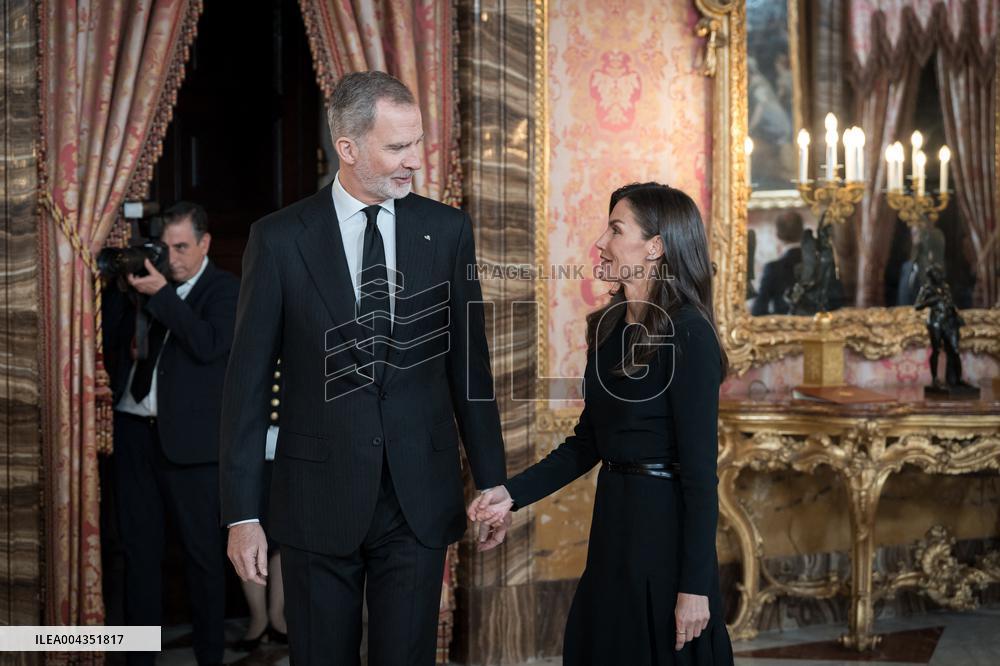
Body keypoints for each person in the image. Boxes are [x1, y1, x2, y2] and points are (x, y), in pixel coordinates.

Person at [220, 71, 508, 665]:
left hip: (419, 497)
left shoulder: (447, 229)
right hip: (315, 500)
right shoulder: (277, 241)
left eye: (417, 144)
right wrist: (242, 515)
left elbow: (469, 367)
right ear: (347, 148)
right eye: (397, 148)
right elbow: (245, 391)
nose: (413, 163)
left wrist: (493, 479)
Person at [472, 183, 735, 665]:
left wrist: (696, 587)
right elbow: (586, 442)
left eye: (616, 229)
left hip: (665, 536)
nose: (601, 241)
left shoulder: (689, 334)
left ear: (655, 246)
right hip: (614, 525)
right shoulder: (608, 328)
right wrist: (509, 495)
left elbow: (701, 474)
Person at [102, 202, 239, 666]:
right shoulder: (146, 281)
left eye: (182, 247)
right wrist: (124, 290)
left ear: (205, 244)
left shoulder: (225, 290)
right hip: (134, 433)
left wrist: (162, 295)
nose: (173, 258)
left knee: (204, 559)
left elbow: (207, 346)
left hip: (193, 448)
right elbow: (111, 342)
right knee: (137, 554)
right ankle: (139, 658)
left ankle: (209, 658)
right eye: (167, 247)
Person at [751, 211, 803, 315]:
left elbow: (758, 310)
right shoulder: (820, 263)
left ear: (777, 235)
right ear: (802, 232)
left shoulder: (773, 268)